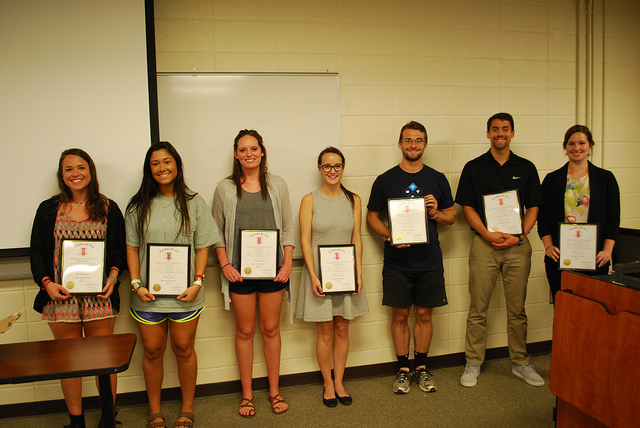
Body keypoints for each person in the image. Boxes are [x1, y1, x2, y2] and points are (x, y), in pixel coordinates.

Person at [30, 148, 126, 428]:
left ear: (91, 171)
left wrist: (113, 276)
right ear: (62, 175)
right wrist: (46, 284)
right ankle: (76, 421)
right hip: (61, 298)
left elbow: (119, 250)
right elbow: (37, 253)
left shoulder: (108, 207)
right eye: (69, 169)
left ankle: (108, 419)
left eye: (81, 167)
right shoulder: (48, 209)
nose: (76, 173)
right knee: (69, 362)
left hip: (100, 297)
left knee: (103, 361)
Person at [125, 141, 219, 428]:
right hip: (147, 296)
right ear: (148, 169)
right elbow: (131, 247)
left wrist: (198, 282)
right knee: (152, 350)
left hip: (185, 295)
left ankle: (187, 409)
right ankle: (155, 411)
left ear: (177, 165)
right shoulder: (137, 205)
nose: (162, 168)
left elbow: (202, 247)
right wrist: (136, 283)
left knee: (183, 348)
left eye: (167, 162)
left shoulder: (195, 203)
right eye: (155, 163)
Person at [455, 112, 545, 388]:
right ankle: (473, 361)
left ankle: (521, 362)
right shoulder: (474, 167)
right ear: (488, 134)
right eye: (495, 129)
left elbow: (534, 207)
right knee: (478, 308)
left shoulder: (526, 167)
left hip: (518, 246)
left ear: (513, 133)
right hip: (485, 245)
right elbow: (467, 206)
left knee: (517, 309)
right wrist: (486, 233)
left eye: (505, 129)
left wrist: (519, 236)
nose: (500, 133)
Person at [366, 121, 456, 394]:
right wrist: (390, 235)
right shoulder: (385, 180)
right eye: (408, 140)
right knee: (400, 316)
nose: (413, 145)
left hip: (429, 261)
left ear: (425, 144)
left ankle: (422, 367)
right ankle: (403, 369)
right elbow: (371, 216)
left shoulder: (437, 178)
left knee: (424, 314)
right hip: (397, 262)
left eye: (418, 140)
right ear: (400, 144)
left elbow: (452, 216)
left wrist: (435, 213)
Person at [212, 129, 294, 417]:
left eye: (254, 149)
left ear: (262, 152)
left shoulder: (278, 185)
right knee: (245, 331)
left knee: (271, 330)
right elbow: (217, 232)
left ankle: (274, 391)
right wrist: (225, 265)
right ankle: (247, 395)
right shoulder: (224, 188)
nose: (249, 154)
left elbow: (287, 227)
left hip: (274, 273)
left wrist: (287, 264)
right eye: (243, 149)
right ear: (236, 154)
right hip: (239, 275)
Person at [296, 147, 369, 407]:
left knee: (342, 329)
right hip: (320, 277)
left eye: (337, 166)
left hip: (345, 276)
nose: (332, 171)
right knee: (325, 332)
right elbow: (305, 241)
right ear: (319, 169)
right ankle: (327, 383)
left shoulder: (354, 200)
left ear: (343, 168)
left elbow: (356, 239)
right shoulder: (309, 200)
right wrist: (313, 275)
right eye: (327, 166)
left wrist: (358, 273)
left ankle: (340, 381)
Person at [538, 125, 620, 301]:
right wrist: (548, 246)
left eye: (582, 143)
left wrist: (607, 251)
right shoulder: (552, 180)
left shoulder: (606, 179)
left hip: (596, 260)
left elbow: (613, 219)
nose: (576, 148)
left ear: (590, 145)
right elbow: (542, 218)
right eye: (571, 143)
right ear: (565, 147)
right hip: (560, 260)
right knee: (563, 312)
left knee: (593, 313)